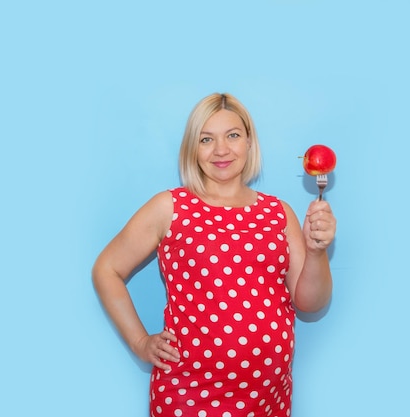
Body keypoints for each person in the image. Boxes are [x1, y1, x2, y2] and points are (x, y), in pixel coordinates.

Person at [92, 92, 336, 417]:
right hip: (188, 395)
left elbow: (310, 303)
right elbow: (106, 269)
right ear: (193, 148)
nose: (221, 150)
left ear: (249, 141)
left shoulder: (279, 213)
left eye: (232, 135)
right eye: (207, 139)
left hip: (268, 399)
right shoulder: (170, 208)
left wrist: (316, 251)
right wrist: (139, 342)